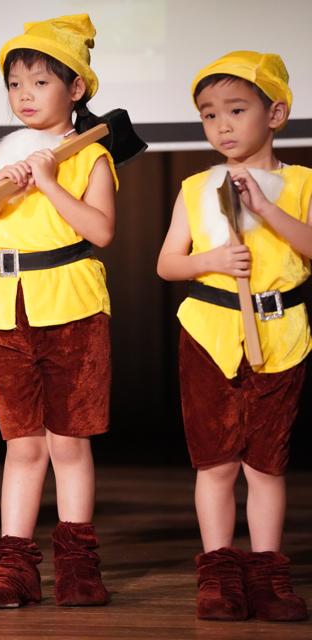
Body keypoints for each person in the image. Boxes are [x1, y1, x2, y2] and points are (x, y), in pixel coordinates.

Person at [0, 14, 118, 608]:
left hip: (72, 307)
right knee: (23, 445)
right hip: (5, 311)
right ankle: (15, 565)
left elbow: (101, 231)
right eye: (15, 84)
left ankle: (78, 564)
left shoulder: (89, 156)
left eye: (40, 82)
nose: (25, 95)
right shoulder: (3, 155)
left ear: (76, 88)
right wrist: (0, 191)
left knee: (69, 443)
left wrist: (49, 183)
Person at [157, 50, 311, 622]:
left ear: (276, 114)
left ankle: (268, 572)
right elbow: (168, 263)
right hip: (209, 333)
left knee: (266, 464)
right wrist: (213, 260)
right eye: (209, 114)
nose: (222, 125)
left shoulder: (302, 183)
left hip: (281, 334)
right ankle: (219, 572)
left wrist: (265, 209)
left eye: (236, 110)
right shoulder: (198, 187)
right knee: (216, 461)